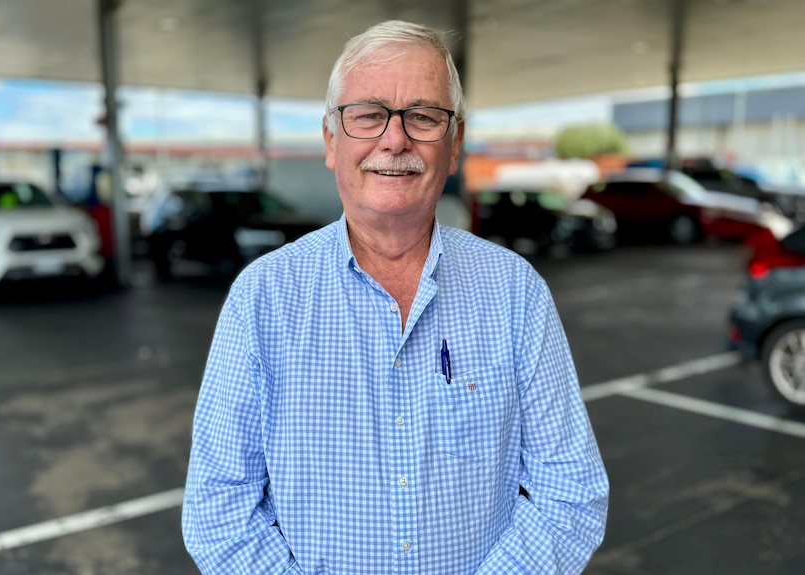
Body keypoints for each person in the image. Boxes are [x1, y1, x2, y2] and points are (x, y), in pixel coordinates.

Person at [182, 19, 609, 574]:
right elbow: (219, 509)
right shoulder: (263, 298)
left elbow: (570, 492)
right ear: (331, 141)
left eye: (423, 116)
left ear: (454, 145)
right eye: (368, 114)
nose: (395, 139)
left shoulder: (514, 292)